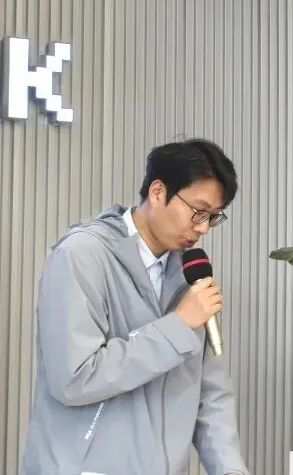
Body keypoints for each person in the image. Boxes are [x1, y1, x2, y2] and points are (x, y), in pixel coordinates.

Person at [21, 138, 249, 475]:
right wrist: (177, 326)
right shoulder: (81, 256)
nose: (202, 228)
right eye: (198, 211)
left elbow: (210, 394)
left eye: (213, 217)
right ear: (157, 192)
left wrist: (230, 469)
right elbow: (74, 378)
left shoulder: (191, 277)